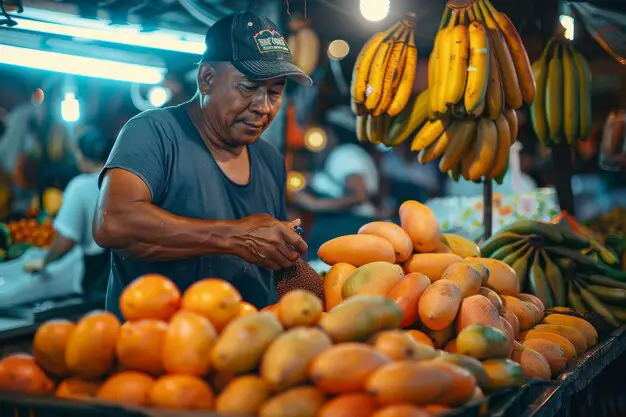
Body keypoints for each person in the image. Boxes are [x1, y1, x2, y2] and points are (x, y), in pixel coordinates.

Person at [93, 11, 311, 317]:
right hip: (158, 348)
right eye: (248, 87)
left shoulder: (269, 158)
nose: (263, 107)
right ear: (207, 79)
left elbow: (265, 256)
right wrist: (235, 236)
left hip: (246, 346)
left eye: (274, 92)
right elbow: (112, 222)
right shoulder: (154, 132)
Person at [27, 127, 113, 295]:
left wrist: (45, 262)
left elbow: (65, 240)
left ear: (80, 155)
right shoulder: (119, 180)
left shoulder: (79, 186)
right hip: (122, 269)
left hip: (97, 274)